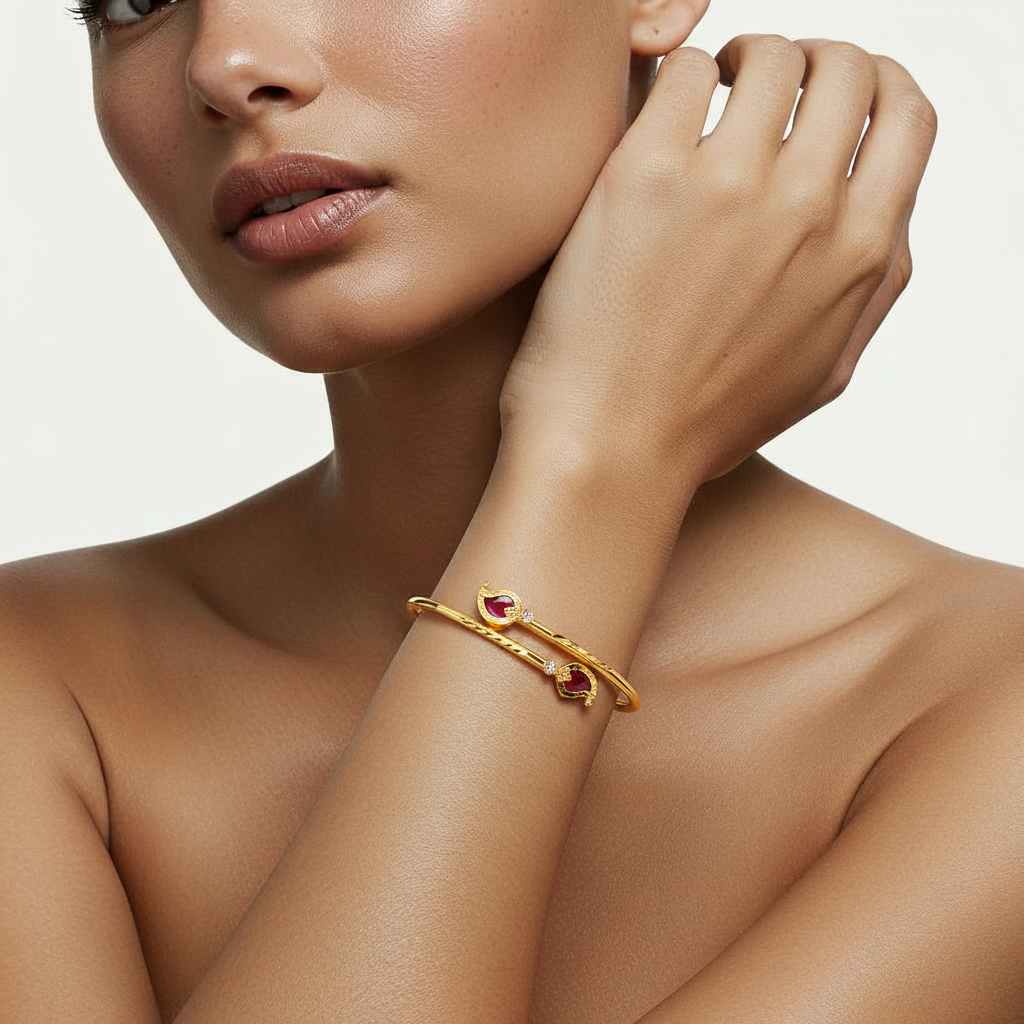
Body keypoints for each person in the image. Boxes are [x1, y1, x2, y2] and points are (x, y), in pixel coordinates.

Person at [0, 1, 1020, 1023]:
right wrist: (595, 472)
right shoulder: (42, 686)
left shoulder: (985, 719)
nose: (226, 63)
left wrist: (595, 455)